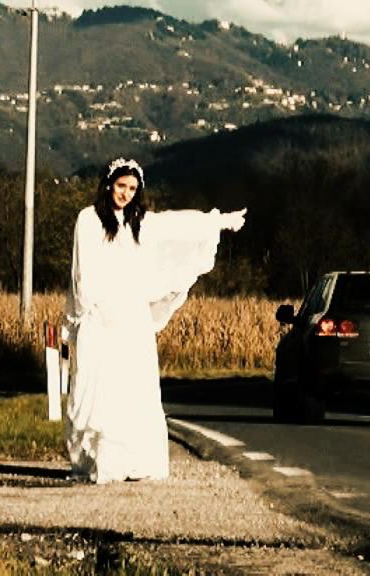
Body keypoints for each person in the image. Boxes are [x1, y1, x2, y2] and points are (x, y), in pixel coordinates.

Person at [63, 157, 246, 484]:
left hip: (131, 317)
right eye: (121, 186)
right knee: (98, 387)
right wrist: (85, 312)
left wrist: (218, 222)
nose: (126, 194)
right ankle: (99, 462)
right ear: (108, 184)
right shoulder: (88, 220)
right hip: (100, 315)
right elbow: (81, 272)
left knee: (132, 387)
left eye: (132, 189)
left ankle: (132, 461)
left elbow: (177, 225)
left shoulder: (139, 222)